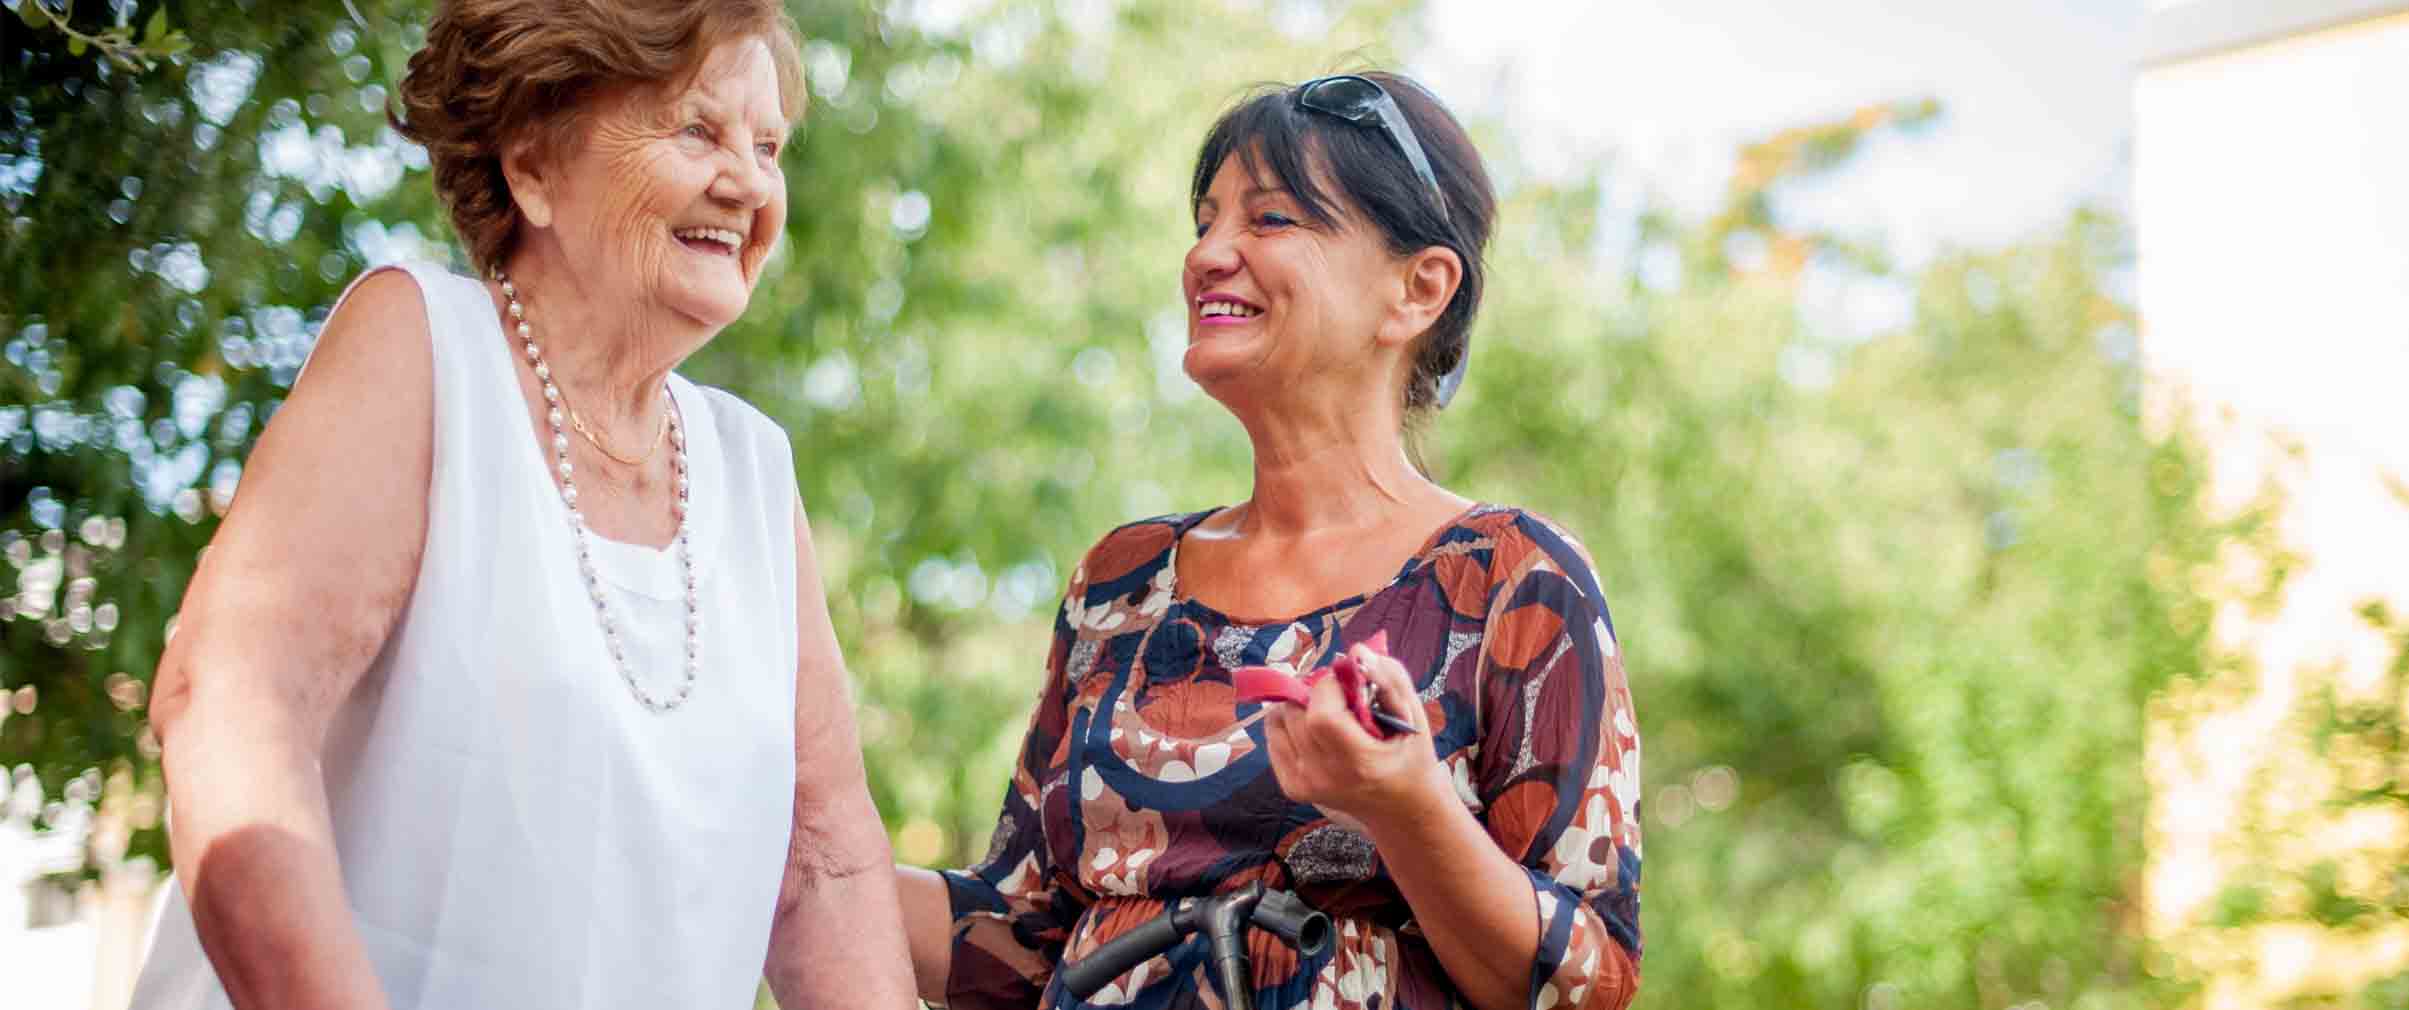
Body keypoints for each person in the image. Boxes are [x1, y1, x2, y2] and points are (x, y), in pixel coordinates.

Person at [128, 2, 916, 1007]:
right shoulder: (421, 347)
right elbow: (230, 704)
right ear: (533, 162)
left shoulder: (753, 470)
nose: (751, 183)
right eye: (697, 128)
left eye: (769, 146)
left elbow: (825, 869)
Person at [897, 72, 1644, 1010]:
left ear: (1418, 289)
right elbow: (1023, 938)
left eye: (1271, 219)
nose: (1209, 254)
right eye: (1205, 220)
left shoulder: (1514, 580)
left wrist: (1405, 808)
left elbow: (1592, 983)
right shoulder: (1121, 579)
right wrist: (779, 860)